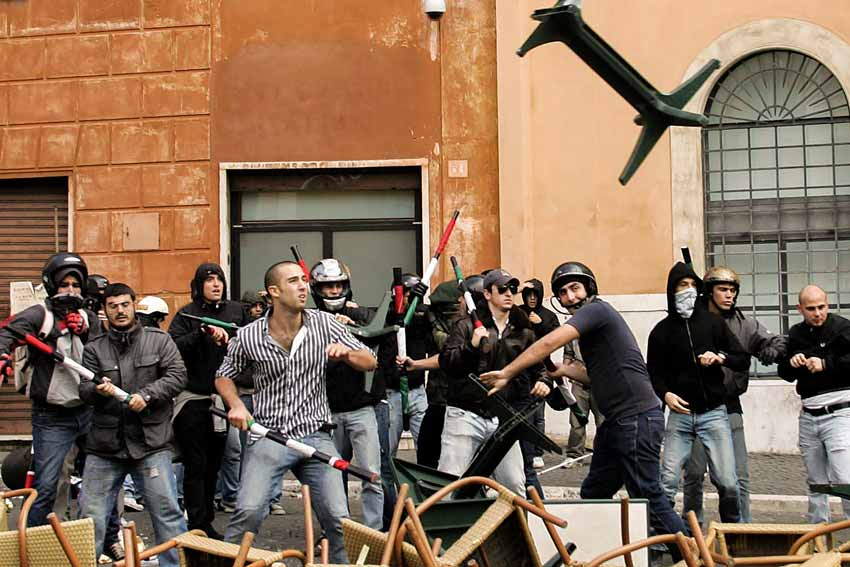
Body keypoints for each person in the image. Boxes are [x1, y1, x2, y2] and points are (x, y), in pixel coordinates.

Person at [481, 261, 689, 550]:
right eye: (563, 293)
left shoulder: (597, 310)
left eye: (575, 288)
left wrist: (508, 371)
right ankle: (601, 552)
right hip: (617, 424)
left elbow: (548, 343)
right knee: (595, 491)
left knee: (648, 493)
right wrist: (564, 371)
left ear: (589, 287)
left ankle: (694, 554)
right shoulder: (593, 330)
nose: (570, 297)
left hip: (637, 417)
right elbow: (594, 376)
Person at [216, 260, 377, 563]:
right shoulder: (249, 336)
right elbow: (224, 374)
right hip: (269, 436)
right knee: (248, 511)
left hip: (315, 435)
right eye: (294, 281)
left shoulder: (325, 324)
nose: (304, 286)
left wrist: (348, 354)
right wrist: (236, 404)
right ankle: (228, 561)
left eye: (304, 280)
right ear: (273, 291)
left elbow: (370, 360)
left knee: (339, 520)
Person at [79, 283, 188, 567]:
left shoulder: (159, 341)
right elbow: (84, 390)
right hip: (105, 447)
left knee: (167, 511)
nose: (119, 310)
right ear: (105, 310)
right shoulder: (94, 348)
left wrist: (147, 395)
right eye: (113, 306)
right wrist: (97, 391)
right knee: (90, 518)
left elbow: (177, 376)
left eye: (124, 304)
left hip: (151, 443)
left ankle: (175, 565)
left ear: (133, 305)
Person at [0, 253, 101, 527]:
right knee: (47, 487)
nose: (70, 290)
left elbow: (105, 351)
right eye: (64, 284)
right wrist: (2, 356)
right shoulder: (38, 315)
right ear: (52, 286)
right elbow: (6, 332)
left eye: (75, 285)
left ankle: (105, 541)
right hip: (52, 417)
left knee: (102, 480)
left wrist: (85, 330)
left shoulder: (90, 317)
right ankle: (34, 544)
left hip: (89, 411)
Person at [647, 262, 749, 524]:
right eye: (683, 285)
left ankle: (732, 535)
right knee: (667, 481)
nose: (689, 290)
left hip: (714, 413)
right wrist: (666, 395)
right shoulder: (660, 331)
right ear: (672, 291)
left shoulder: (714, 324)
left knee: (728, 482)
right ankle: (664, 540)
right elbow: (654, 374)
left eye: (693, 285)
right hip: (679, 417)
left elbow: (741, 358)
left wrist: (720, 358)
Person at [683, 266, 786, 524]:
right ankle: (690, 532)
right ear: (707, 291)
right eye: (723, 289)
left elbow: (775, 341)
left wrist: (771, 350)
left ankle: (742, 530)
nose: (729, 295)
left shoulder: (744, 323)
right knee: (694, 474)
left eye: (732, 290)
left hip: (729, 406)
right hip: (696, 406)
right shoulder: (689, 323)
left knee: (738, 476)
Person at [439, 269, 553, 495]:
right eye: (502, 289)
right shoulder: (466, 325)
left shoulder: (522, 330)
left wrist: (543, 381)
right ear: (488, 294)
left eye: (512, 289)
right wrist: (470, 347)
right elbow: (447, 363)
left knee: (514, 486)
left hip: (502, 417)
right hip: (465, 414)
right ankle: (438, 531)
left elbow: (540, 366)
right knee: (448, 486)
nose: (509, 293)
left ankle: (516, 530)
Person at [169, 263, 249, 539]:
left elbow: (251, 342)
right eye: (209, 280)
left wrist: (230, 340)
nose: (216, 285)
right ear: (198, 285)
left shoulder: (236, 312)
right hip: (192, 399)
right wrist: (200, 334)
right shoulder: (186, 314)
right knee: (196, 463)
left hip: (223, 400)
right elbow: (173, 348)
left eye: (220, 280)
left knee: (216, 461)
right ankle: (197, 523)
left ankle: (207, 519)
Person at [310, 258, 384, 531]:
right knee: (330, 477)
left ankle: (374, 533)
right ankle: (336, 533)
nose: (334, 291)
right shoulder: (310, 320)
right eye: (328, 286)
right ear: (317, 288)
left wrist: (351, 323)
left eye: (339, 285)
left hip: (361, 409)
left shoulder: (362, 315)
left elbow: (379, 336)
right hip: (326, 411)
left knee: (371, 475)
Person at [778, 285, 850, 523]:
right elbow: (784, 372)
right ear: (800, 309)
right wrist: (793, 361)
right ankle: (818, 539)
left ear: (828, 305)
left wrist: (826, 364)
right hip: (808, 414)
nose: (817, 313)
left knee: (844, 479)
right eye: (811, 309)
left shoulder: (842, 327)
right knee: (816, 482)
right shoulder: (796, 333)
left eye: (821, 307)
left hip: (839, 411)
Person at [376, 273, 434, 455]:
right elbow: (390, 319)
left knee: (426, 446)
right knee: (387, 450)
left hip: (417, 391)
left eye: (413, 294)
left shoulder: (422, 317)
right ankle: (385, 484)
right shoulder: (387, 315)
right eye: (406, 293)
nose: (409, 297)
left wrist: (419, 301)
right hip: (391, 392)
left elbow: (432, 318)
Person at [519, 278, 560, 470]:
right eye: (529, 295)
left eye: (536, 295)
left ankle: (537, 452)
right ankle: (523, 450)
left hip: (541, 370)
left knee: (539, 415)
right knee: (523, 412)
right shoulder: (517, 312)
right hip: (520, 370)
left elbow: (556, 338)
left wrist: (540, 324)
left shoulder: (548, 316)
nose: (532, 299)